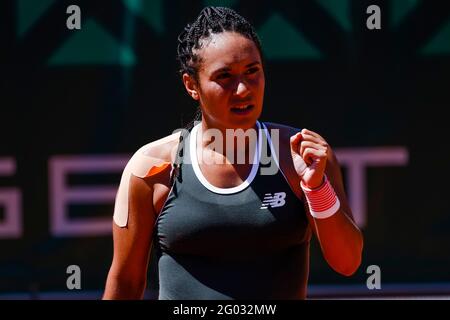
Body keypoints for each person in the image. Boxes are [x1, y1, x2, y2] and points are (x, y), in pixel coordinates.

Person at [103, 6, 363, 300]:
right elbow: (125, 282)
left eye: (253, 72)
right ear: (191, 85)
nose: (242, 89)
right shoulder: (151, 168)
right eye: (224, 77)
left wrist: (316, 188)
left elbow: (348, 262)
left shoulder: (302, 157)